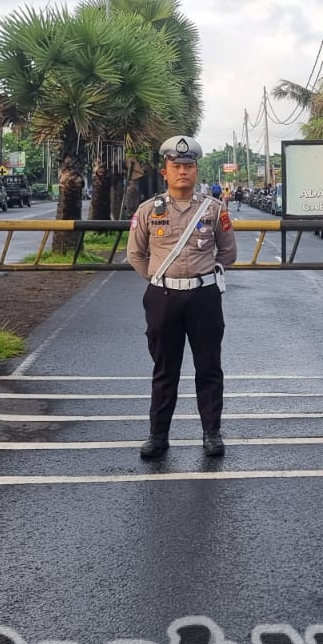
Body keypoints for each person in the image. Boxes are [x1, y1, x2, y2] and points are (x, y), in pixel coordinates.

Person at [128, 136, 238, 459]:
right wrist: (160, 279)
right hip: (164, 297)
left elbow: (228, 253)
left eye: (188, 166)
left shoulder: (214, 210)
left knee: (209, 368)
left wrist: (204, 276)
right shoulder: (148, 211)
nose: (182, 172)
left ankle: (211, 434)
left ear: (196, 170)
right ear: (165, 172)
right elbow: (135, 254)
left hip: (204, 297)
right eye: (176, 166)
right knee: (165, 370)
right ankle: (158, 435)